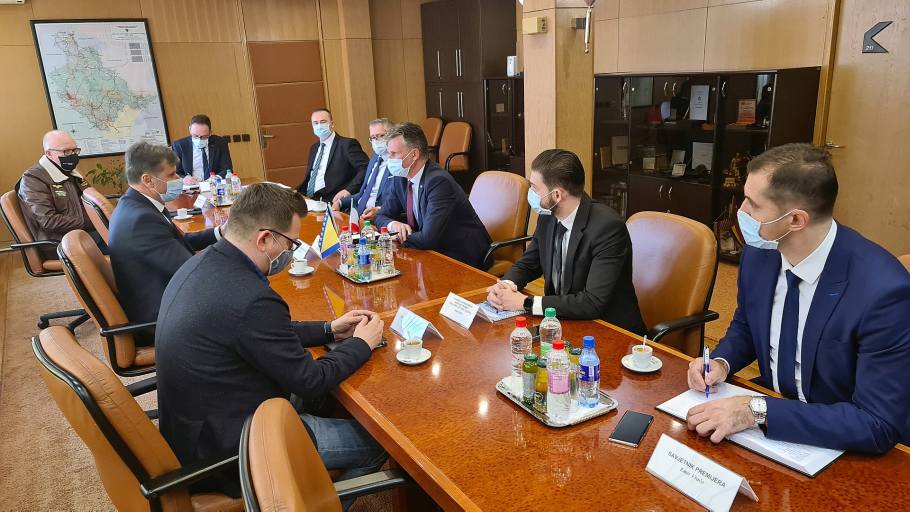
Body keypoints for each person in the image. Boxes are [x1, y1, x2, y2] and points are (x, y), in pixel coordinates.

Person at [156, 182, 387, 501]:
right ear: (264, 239)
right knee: (378, 444)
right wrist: (362, 343)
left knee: (325, 403)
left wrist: (329, 330)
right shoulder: (250, 298)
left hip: (196, 431)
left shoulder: (204, 262)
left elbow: (259, 331)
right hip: (235, 448)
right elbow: (311, 381)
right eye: (291, 243)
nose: (291, 253)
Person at [685, 143, 910, 455]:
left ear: (795, 221)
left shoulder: (883, 291)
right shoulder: (760, 253)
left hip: (840, 435)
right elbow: (747, 325)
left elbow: (876, 424)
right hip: (774, 411)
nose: (741, 212)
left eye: (753, 204)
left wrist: (757, 410)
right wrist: (721, 363)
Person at [485, 149, 646, 334]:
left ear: (557, 195)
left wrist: (525, 303)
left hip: (608, 330)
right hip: (563, 321)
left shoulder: (607, 228)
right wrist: (505, 287)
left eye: (534, 187)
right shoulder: (548, 215)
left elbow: (592, 302)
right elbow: (528, 264)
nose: (530, 193)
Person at [108, 142, 222, 346]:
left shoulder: (135, 204)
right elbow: (190, 271)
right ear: (148, 180)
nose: (178, 179)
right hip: (163, 317)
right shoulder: (141, 220)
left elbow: (176, 243)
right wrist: (233, 253)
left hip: (164, 296)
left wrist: (220, 233)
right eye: (171, 175)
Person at [374, 122, 492, 270]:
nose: (389, 158)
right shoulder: (401, 178)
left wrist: (394, 236)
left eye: (394, 154)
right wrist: (393, 225)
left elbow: (429, 238)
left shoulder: (439, 182)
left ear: (414, 154)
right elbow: (381, 216)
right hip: (431, 250)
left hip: (461, 254)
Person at [15, 130, 106, 259]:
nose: (72, 155)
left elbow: (92, 199)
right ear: (49, 153)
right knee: (125, 249)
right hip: (62, 243)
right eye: (66, 151)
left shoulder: (70, 172)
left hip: (87, 233)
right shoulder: (32, 179)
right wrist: (91, 220)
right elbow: (49, 221)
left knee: (128, 237)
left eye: (75, 150)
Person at [297, 108, 369, 201]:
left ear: (332, 124)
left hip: (332, 200)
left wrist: (349, 190)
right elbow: (310, 177)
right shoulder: (314, 148)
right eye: (315, 123)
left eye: (323, 122)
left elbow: (365, 168)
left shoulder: (347, 145)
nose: (319, 126)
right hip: (309, 198)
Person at [331, 117, 393, 221]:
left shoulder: (398, 163)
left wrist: (379, 210)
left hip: (379, 218)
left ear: (392, 135)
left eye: (381, 136)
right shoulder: (375, 158)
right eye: (373, 137)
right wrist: (340, 202)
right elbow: (364, 194)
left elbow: (398, 201)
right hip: (358, 216)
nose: (376, 141)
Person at [171, 114, 234, 183]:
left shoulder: (220, 143)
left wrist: (216, 178)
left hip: (214, 184)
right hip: (191, 186)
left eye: (204, 137)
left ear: (210, 133)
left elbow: (227, 169)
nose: (199, 139)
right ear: (190, 130)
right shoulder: (179, 146)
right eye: (195, 136)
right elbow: (175, 172)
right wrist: (184, 179)